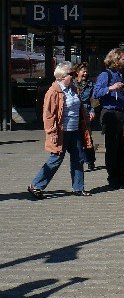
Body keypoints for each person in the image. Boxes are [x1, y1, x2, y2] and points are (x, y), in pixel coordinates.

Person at [27, 62, 93, 199]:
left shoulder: (73, 89)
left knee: (78, 159)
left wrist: (86, 118)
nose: (74, 76)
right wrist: (52, 133)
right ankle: (36, 185)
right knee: (56, 159)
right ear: (63, 76)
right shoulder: (53, 92)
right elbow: (48, 114)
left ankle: (78, 188)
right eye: (71, 74)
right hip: (61, 131)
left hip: (75, 130)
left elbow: (79, 108)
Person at [93, 48, 124, 189]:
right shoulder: (105, 75)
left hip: (122, 113)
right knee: (113, 147)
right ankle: (113, 178)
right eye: (123, 58)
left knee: (122, 147)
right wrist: (111, 88)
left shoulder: (122, 75)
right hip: (110, 114)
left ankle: (121, 175)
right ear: (115, 59)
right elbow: (96, 93)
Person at [73, 62, 96, 170]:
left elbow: (94, 99)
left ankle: (90, 160)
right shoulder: (72, 83)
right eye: (83, 71)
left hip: (85, 113)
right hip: (74, 113)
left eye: (87, 71)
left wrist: (92, 110)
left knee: (87, 137)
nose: (85, 73)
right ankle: (79, 161)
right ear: (77, 72)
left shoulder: (90, 84)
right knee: (77, 139)